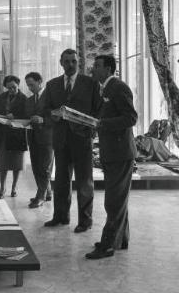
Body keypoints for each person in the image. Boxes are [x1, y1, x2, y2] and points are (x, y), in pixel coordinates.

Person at [42, 49, 102, 233]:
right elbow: (44, 109)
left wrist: (91, 129)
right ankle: (60, 216)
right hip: (60, 139)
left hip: (82, 138)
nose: (70, 65)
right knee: (61, 180)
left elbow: (98, 110)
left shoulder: (90, 83)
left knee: (84, 181)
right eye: (67, 61)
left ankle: (85, 220)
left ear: (78, 63)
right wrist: (53, 115)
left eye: (74, 61)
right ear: (61, 63)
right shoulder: (52, 85)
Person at [86, 55, 138, 259]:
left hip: (120, 153)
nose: (93, 70)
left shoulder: (118, 87)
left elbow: (131, 117)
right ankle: (120, 240)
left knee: (114, 201)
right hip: (112, 152)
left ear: (108, 69)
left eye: (97, 66)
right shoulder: (106, 88)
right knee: (117, 199)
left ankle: (107, 246)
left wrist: (102, 124)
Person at [0, 75, 28, 199]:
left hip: (18, 135)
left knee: (17, 163)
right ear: (6, 87)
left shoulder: (24, 99)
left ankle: (14, 187)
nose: (12, 90)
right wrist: (0, 118)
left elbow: (27, 115)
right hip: (3, 134)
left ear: (18, 85)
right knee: (2, 163)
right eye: (9, 88)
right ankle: (2, 187)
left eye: (14, 87)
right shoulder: (1, 97)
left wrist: (14, 116)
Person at [24, 72, 54, 208]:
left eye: (32, 84)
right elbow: (28, 116)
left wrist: (43, 120)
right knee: (36, 167)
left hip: (47, 137)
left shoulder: (51, 97)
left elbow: (58, 115)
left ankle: (40, 196)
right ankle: (47, 193)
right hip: (33, 137)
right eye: (28, 85)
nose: (30, 88)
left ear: (40, 81)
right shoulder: (30, 100)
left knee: (45, 168)